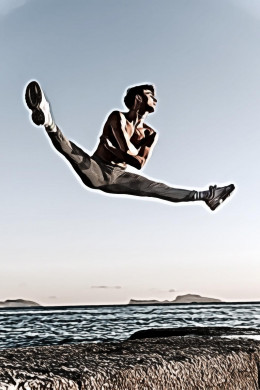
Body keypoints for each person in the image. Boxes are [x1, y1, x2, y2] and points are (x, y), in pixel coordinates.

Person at [25, 81, 235, 210]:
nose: (155, 98)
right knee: (70, 150)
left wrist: (111, 149)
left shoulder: (150, 132)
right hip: (97, 169)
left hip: (120, 176)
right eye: (150, 95)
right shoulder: (118, 118)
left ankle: (208, 196)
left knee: (157, 189)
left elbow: (138, 163)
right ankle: (47, 119)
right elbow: (129, 154)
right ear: (137, 99)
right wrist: (121, 152)